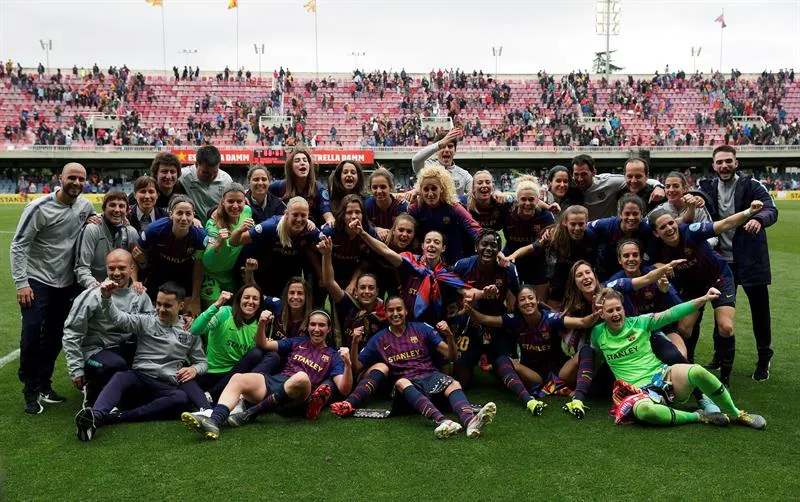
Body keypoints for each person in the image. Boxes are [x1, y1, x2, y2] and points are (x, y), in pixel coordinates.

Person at [587, 287, 766, 430]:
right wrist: (579, 388)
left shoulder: (640, 322)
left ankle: (738, 414)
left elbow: (672, 313)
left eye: (618, 308)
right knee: (645, 411)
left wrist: (703, 299)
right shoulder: (597, 333)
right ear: (602, 314)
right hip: (636, 391)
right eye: (610, 311)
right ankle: (699, 416)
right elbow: (592, 361)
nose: (615, 313)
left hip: (662, 377)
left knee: (695, 371)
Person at [331, 297, 497, 439]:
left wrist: (449, 336)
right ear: (386, 313)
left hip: (430, 375)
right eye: (391, 310)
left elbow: (452, 356)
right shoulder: (379, 339)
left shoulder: (421, 328)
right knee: (401, 381)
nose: (395, 314)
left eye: (399, 309)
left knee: (454, 383)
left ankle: (470, 422)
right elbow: (358, 366)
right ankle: (442, 421)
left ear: (406, 311)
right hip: (407, 387)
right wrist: (354, 343)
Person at [646, 199, 766, 386]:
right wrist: (661, 266)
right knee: (684, 329)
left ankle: (725, 377)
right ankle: (689, 368)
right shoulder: (654, 247)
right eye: (663, 227)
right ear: (655, 233)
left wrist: (749, 211)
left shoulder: (691, 231)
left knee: (725, 327)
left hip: (719, 278)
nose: (670, 228)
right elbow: (647, 264)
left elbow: (724, 224)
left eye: (671, 223)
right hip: (692, 287)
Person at [180, 310, 351, 440]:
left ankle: (250, 413)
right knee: (238, 378)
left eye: (321, 325)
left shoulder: (333, 355)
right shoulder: (298, 342)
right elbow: (263, 344)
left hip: (299, 396)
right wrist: (262, 323)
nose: (316, 329)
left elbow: (343, 388)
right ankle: (214, 421)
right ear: (308, 326)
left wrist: (348, 364)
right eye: (313, 324)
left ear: (329, 329)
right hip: (276, 382)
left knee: (300, 377)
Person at [74, 282, 210, 441]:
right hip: (139, 379)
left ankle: (114, 418)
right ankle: (94, 417)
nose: (161, 309)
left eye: (167, 305)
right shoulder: (146, 321)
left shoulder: (191, 331)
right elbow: (119, 318)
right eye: (158, 304)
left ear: (180, 305)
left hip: (165, 386)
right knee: (121, 377)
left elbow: (202, 362)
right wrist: (106, 298)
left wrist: (194, 369)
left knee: (180, 398)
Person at [12, 162, 95, 414]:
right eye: (72, 178)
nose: (76, 183)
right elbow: (19, 245)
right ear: (61, 178)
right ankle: (30, 388)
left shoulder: (85, 206)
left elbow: (88, 227)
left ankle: (44, 385)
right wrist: (21, 282)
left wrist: (93, 221)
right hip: (38, 281)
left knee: (55, 336)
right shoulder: (38, 207)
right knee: (32, 331)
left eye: (81, 179)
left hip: (66, 282)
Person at [698, 145, 778, 381]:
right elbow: (692, 194)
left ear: (736, 163)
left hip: (751, 260)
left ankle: (764, 358)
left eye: (728, 161)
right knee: (720, 308)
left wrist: (760, 220)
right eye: (720, 162)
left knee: (760, 312)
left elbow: (771, 209)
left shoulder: (752, 185)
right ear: (713, 165)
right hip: (722, 261)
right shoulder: (707, 187)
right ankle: (719, 355)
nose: (724, 166)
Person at [464, 284, 598, 415]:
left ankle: (578, 400)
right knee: (501, 360)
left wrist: (596, 313)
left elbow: (583, 322)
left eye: (530, 298)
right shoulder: (515, 320)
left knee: (587, 351)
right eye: (522, 299)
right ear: (518, 304)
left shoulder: (551, 319)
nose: (527, 302)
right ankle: (529, 401)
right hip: (534, 376)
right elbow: (484, 319)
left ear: (537, 300)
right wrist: (469, 309)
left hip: (561, 372)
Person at [63, 249, 154, 406]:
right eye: (111, 268)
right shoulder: (91, 295)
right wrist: (76, 369)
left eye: (121, 268)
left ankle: (123, 393)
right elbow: (71, 333)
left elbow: (152, 325)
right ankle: (92, 389)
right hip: (95, 351)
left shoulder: (140, 295)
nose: (116, 273)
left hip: (123, 348)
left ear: (132, 269)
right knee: (116, 365)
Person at [452, 229, 520, 388]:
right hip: (470, 323)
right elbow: (448, 283)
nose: (489, 248)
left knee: (505, 379)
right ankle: (471, 358)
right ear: (476, 246)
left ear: (499, 251)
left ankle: (495, 357)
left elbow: (521, 294)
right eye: (484, 244)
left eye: (493, 245)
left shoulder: (508, 269)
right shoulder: (463, 265)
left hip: (497, 322)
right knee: (462, 380)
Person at [189, 286, 280, 401]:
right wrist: (216, 304)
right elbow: (195, 330)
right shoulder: (225, 312)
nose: (250, 302)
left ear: (260, 303)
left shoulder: (260, 324)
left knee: (271, 355)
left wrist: (266, 340)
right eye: (246, 297)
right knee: (256, 354)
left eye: (255, 299)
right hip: (213, 373)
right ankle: (217, 395)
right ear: (239, 300)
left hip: (236, 377)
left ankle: (218, 396)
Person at [231, 196, 322, 298]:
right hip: (264, 276)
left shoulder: (310, 231)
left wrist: (322, 275)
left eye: (303, 215)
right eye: (295, 215)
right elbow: (236, 242)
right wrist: (239, 230)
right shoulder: (270, 227)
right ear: (286, 214)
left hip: (289, 278)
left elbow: (320, 248)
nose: (299, 219)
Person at [318, 234, 387, 368]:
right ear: (356, 291)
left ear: (377, 292)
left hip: (372, 362)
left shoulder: (386, 313)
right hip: (343, 358)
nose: (366, 291)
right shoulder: (348, 303)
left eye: (371, 288)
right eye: (362, 288)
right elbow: (329, 281)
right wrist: (326, 255)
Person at [507, 205, 598, 306]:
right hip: (561, 272)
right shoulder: (554, 234)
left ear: (587, 222)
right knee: (553, 304)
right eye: (573, 224)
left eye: (581, 224)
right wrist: (513, 256)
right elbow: (532, 247)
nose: (577, 228)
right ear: (565, 222)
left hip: (582, 274)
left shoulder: (592, 237)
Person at [133, 195, 209, 316]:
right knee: (152, 314)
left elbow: (198, 268)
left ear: (193, 215)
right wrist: (135, 281)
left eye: (188, 214)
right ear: (170, 214)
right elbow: (135, 254)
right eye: (179, 213)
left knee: (190, 315)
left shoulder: (200, 237)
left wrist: (195, 298)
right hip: (157, 274)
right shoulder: (154, 230)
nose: (184, 218)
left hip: (184, 276)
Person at [407, 164, 482, 265]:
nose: (430, 193)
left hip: (454, 260)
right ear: (420, 190)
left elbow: (472, 226)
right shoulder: (415, 209)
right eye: (426, 189)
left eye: (434, 188)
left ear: (442, 189)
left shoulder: (453, 206)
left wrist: (486, 241)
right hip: (427, 261)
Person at [74, 190, 139, 289]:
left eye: (121, 206)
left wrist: (133, 284)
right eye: (112, 205)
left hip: (121, 290)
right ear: (104, 208)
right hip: (93, 289)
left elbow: (134, 265)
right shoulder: (92, 229)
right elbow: (82, 268)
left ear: (127, 210)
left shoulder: (131, 232)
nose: (117, 210)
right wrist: (97, 287)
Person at [502, 176, 554, 299]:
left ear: (537, 200)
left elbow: (537, 246)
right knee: (513, 304)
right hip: (511, 257)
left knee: (540, 303)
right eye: (523, 199)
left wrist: (513, 256)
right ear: (517, 199)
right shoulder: (507, 211)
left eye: (531, 199)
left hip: (537, 259)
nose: (527, 203)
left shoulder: (545, 217)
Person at [570, 154, 664, 220]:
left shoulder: (610, 182)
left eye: (584, 174)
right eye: (576, 174)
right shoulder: (568, 185)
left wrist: (658, 186)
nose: (580, 178)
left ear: (594, 172)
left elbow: (636, 180)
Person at [201, 183, 251, 306]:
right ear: (223, 202)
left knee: (232, 314)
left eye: (239, 201)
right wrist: (218, 243)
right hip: (211, 275)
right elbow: (207, 260)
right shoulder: (213, 225)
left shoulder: (247, 212)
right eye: (230, 201)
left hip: (230, 274)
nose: (235, 206)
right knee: (214, 317)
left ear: (245, 201)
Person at [588, 194, 652, 281]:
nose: (631, 217)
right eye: (627, 213)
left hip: (635, 269)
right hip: (605, 270)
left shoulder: (646, 228)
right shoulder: (607, 225)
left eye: (635, 214)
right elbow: (586, 227)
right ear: (620, 214)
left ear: (641, 215)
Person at [269, 146, 334, 227]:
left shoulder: (319, 188)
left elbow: (328, 214)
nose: (302, 162)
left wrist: (330, 221)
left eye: (305, 160)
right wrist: (247, 196)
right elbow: (261, 191)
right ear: (291, 167)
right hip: (287, 230)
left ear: (309, 166)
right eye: (297, 160)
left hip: (311, 232)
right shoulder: (280, 186)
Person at [178, 145, 233, 223]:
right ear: (196, 164)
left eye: (215, 172)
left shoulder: (226, 180)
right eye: (206, 173)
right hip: (193, 227)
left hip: (217, 227)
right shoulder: (183, 176)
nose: (211, 176)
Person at [412, 127, 472, 197]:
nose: (446, 150)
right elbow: (416, 161)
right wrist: (439, 144)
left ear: (455, 151)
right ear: (436, 151)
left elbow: (474, 193)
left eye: (450, 146)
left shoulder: (464, 175)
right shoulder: (427, 168)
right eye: (442, 147)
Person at [364, 167, 408, 239]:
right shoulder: (366, 205)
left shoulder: (401, 206)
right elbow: (363, 225)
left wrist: (391, 232)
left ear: (390, 187)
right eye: (375, 187)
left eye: (383, 187)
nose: (379, 191)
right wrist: (375, 229)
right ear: (370, 189)